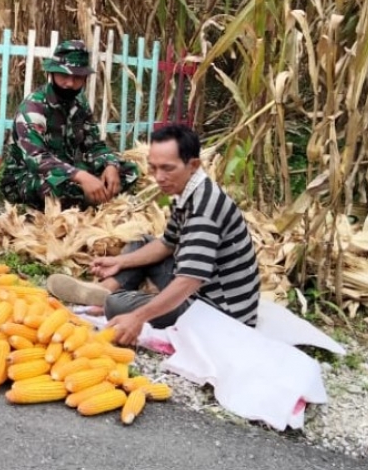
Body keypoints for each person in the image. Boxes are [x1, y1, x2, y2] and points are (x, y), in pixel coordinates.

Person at [46, 124, 261, 346]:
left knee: (120, 306)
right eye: (154, 168)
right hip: (202, 288)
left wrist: (138, 318)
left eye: (167, 168)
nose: (159, 177)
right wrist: (119, 261)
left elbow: (189, 281)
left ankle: (111, 299)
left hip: (218, 313)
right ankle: (103, 290)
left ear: (193, 165)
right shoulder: (189, 190)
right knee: (142, 241)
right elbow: (167, 244)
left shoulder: (203, 211)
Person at [1, 39, 139, 209]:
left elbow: (93, 146)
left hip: (69, 171)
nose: (70, 84)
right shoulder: (34, 107)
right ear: (51, 74)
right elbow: (36, 160)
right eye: (64, 76)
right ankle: (92, 198)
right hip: (28, 176)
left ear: (85, 78)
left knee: (128, 171)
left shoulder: (79, 103)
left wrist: (110, 165)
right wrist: (81, 176)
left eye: (77, 77)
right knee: (58, 190)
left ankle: (92, 196)